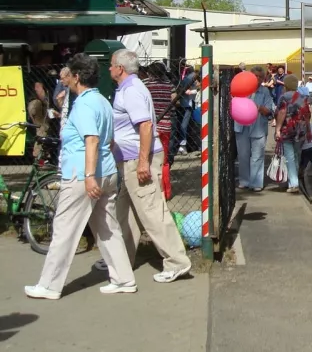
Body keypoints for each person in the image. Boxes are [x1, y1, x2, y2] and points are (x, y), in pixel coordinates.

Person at [25, 53, 136, 300]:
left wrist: (88, 176)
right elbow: (108, 138)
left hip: (84, 176)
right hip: (106, 173)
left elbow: (92, 139)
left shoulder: (84, 104)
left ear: (77, 77)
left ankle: (50, 285)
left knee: (65, 228)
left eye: (70, 76)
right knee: (107, 228)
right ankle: (124, 279)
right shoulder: (103, 101)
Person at [105, 50, 191, 282]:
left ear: (120, 68)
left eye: (112, 65)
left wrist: (143, 162)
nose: (109, 68)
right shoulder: (131, 87)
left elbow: (145, 126)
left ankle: (176, 262)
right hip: (131, 160)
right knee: (126, 212)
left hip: (137, 160)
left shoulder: (131, 90)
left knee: (152, 212)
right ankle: (121, 259)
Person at [234, 66, 274, 192]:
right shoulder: (242, 89)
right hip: (241, 127)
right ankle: (244, 181)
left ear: (263, 78)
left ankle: (256, 182)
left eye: (260, 76)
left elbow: (270, 111)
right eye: (254, 76)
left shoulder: (265, 92)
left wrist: (258, 107)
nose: (257, 78)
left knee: (257, 156)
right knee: (243, 155)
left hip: (258, 127)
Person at [275, 75, 312, 193]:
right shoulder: (303, 97)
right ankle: (293, 181)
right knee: (296, 156)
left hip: (288, 130)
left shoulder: (284, 97)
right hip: (301, 130)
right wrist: (309, 130)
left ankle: (294, 183)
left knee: (289, 157)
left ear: (285, 85)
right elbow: (307, 115)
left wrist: (277, 129)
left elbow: (282, 112)